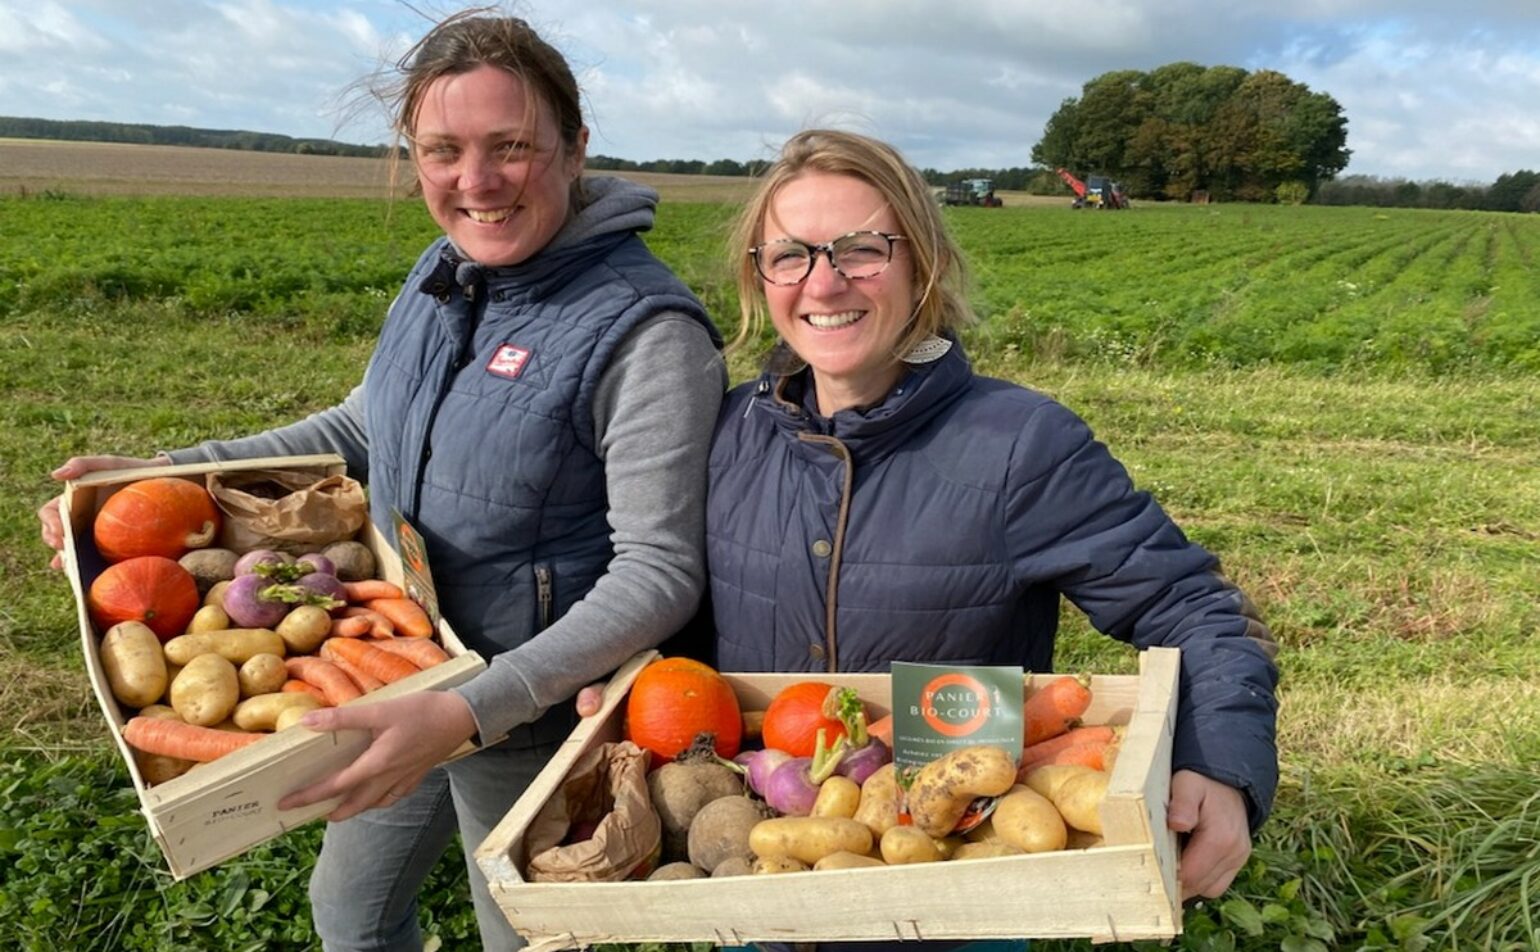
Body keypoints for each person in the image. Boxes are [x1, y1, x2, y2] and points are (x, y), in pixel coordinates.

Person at [38, 12, 725, 951]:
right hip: (398, 671)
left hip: (534, 720)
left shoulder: (647, 336)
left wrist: (466, 712)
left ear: (574, 150)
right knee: (350, 917)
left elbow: (658, 572)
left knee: (519, 937)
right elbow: (363, 425)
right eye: (442, 149)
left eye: (511, 146)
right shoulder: (446, 270)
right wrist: (174, 471)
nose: (474, 181)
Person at [583, 128, 1277, 927]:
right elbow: (683, 610)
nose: (824, 280)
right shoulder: (728, 431)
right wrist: (636, 680)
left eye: (861, 249)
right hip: (765, 871)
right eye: (791, 254)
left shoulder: (1022, 444)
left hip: (962, 891)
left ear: (924, 262)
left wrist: (1221, 765)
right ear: (760, 277)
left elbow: (1194, 607)